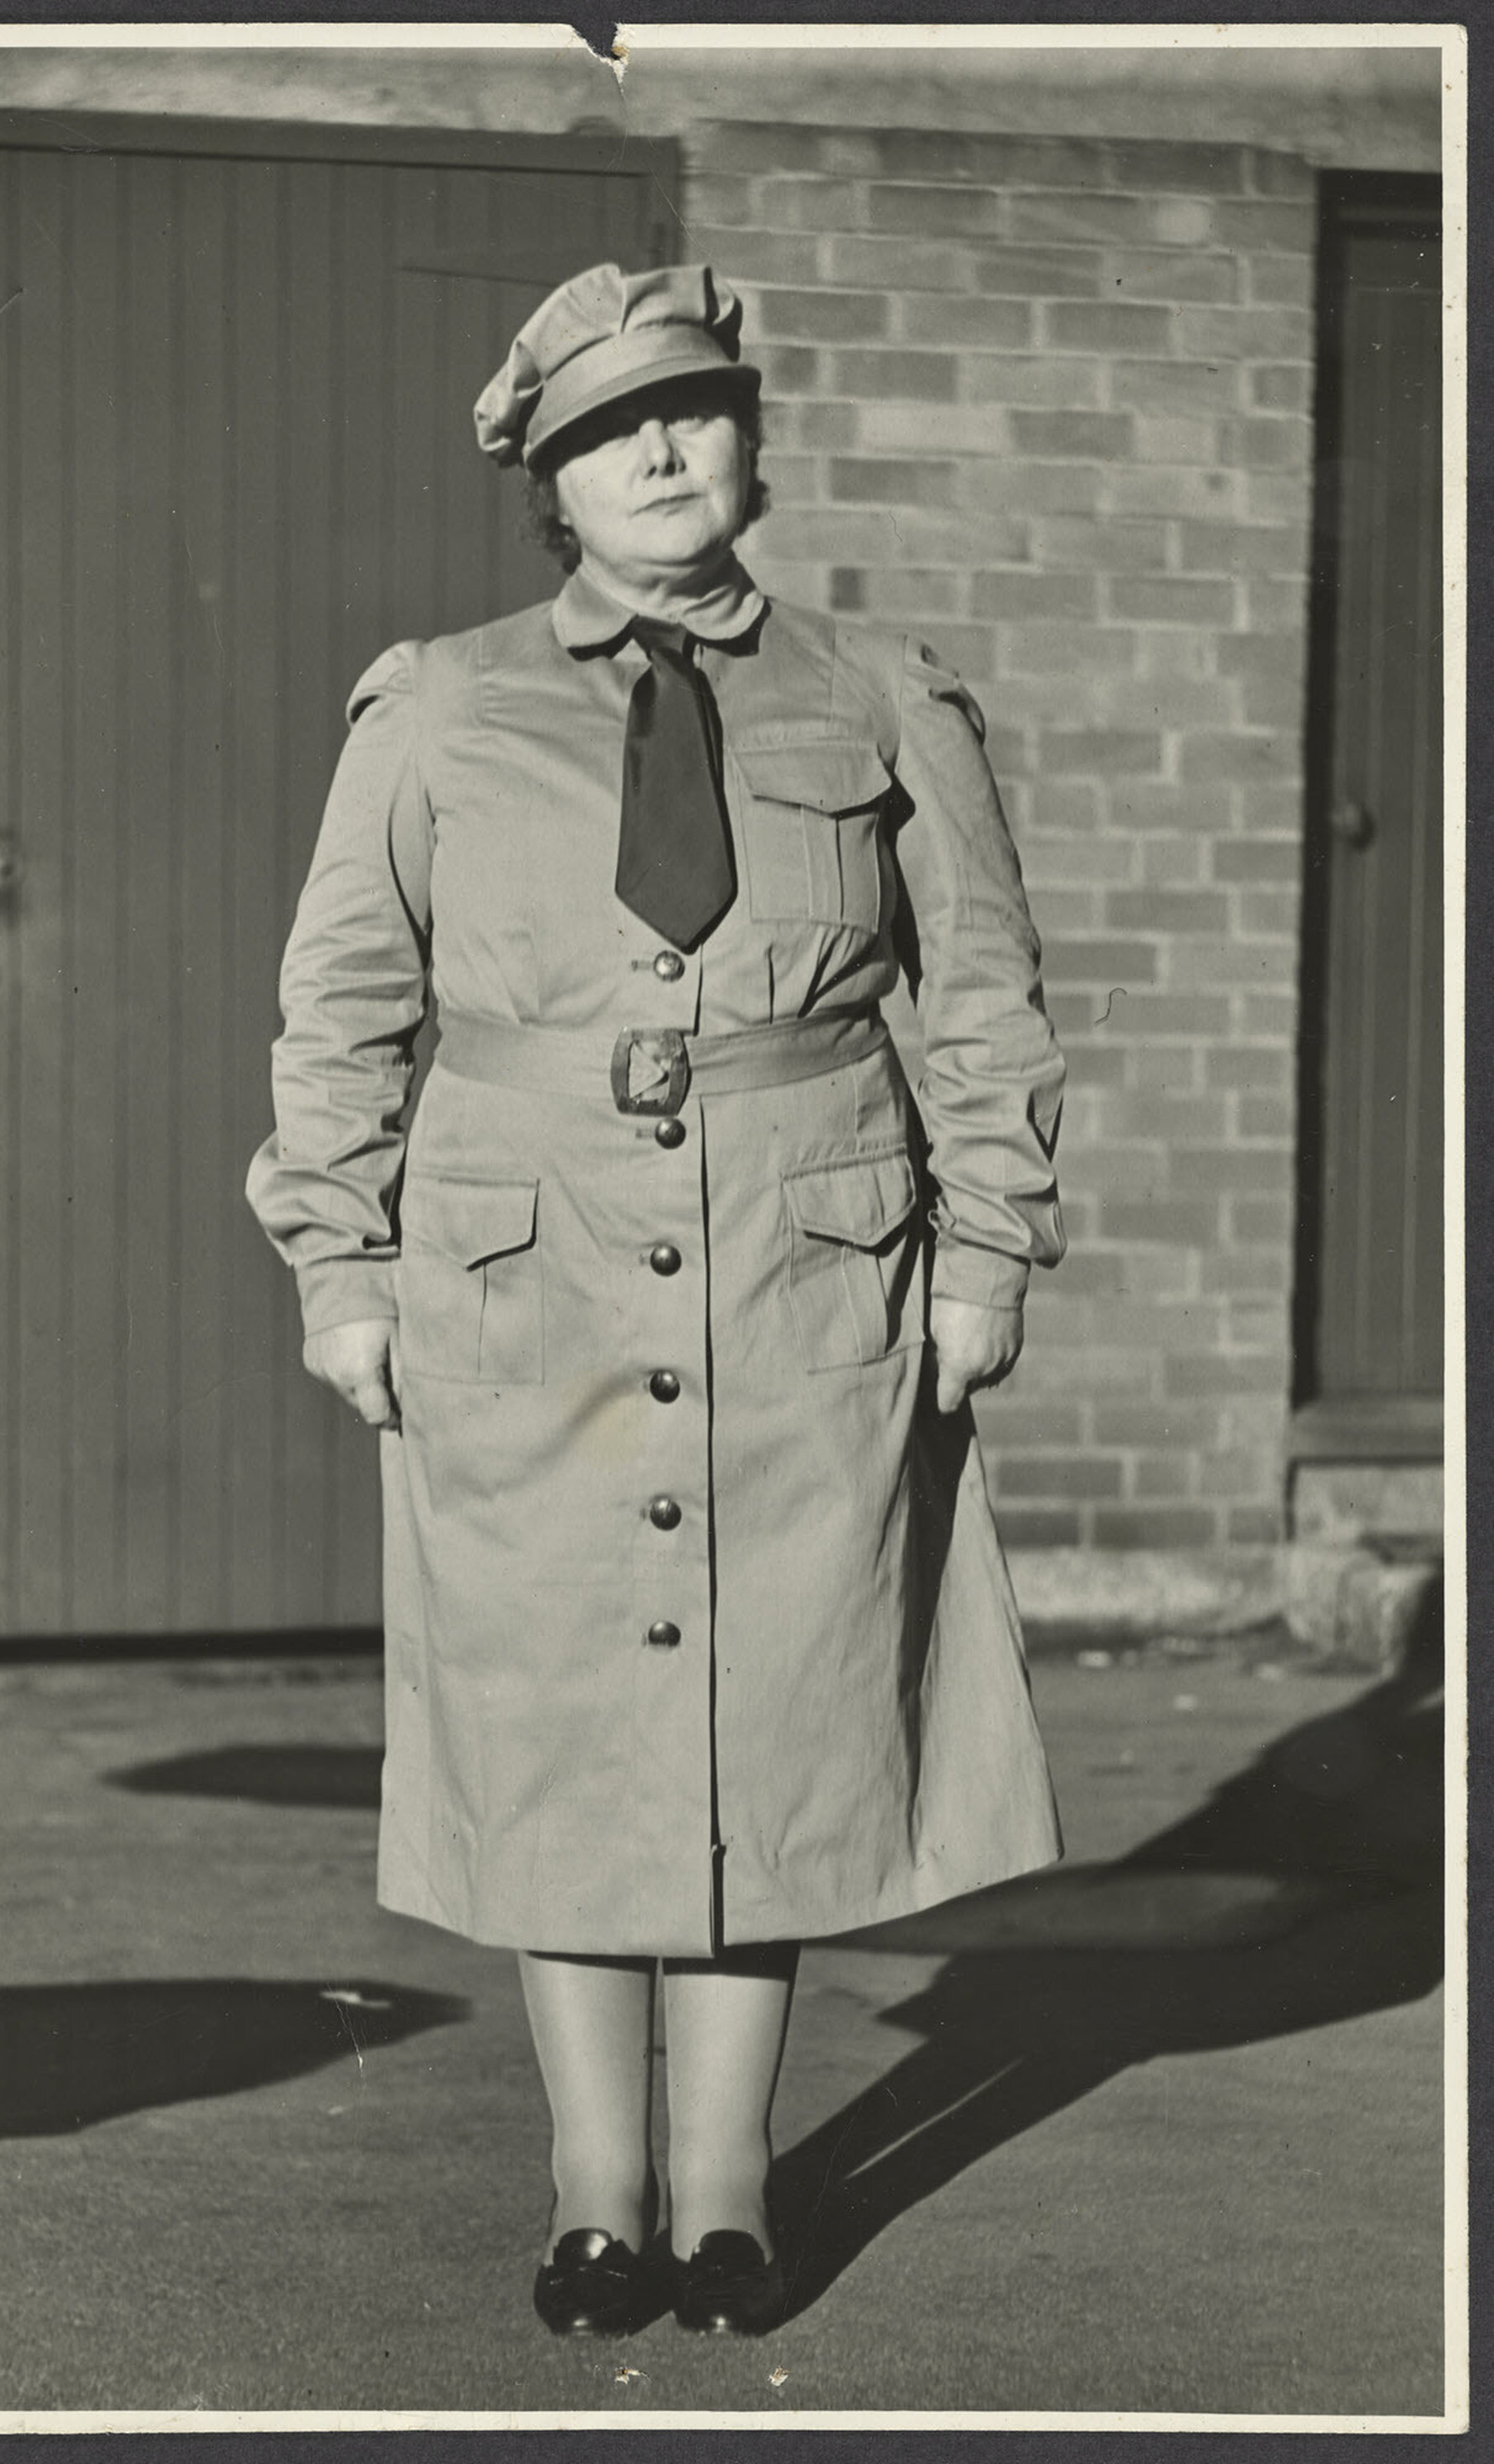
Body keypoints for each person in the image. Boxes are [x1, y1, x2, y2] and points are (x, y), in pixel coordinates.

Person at [246, 261, 1067, 2339]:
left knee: (770, 1712)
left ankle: (727, 2192)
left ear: (750, 439)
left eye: (692, 409)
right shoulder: (438, 707)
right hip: (521, 1277)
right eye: (610, 431)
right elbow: (341, 1008)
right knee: (559, 1719)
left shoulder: (882, 696)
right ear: (551, 482)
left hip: (809, 1267)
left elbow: (981, 997)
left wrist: (987, 1246)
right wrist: (341, 1263)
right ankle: (592, 2188)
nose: (660, 452)